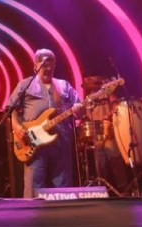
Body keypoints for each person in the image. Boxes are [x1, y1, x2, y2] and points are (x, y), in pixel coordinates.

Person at [8, 48, 85, 198]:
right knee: (33, 186)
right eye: (44, 65)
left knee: (63, 188)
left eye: (51, 65)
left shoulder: (63, 86)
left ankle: (62, 212)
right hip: (33, 142)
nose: (48, 68)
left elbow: (80, 112)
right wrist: (17, 127)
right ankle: (32, 212)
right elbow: (12, 110)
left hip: (61, 141)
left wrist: (79, 109)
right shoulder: (25, 85)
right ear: (35, 65)